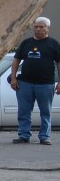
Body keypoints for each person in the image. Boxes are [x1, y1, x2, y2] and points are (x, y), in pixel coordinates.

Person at [10, 16, 60, 145]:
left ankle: (44, 136)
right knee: (24, 111)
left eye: (41, 27)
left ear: (47, 28)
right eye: (36, 27)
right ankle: (24, 135)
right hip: (25, 83)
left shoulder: (53, 44)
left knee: (45, 111)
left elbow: (59, 63)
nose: (38, 29)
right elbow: (16, 60)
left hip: (46, 84)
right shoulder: (26, 43)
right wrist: (14, 78)